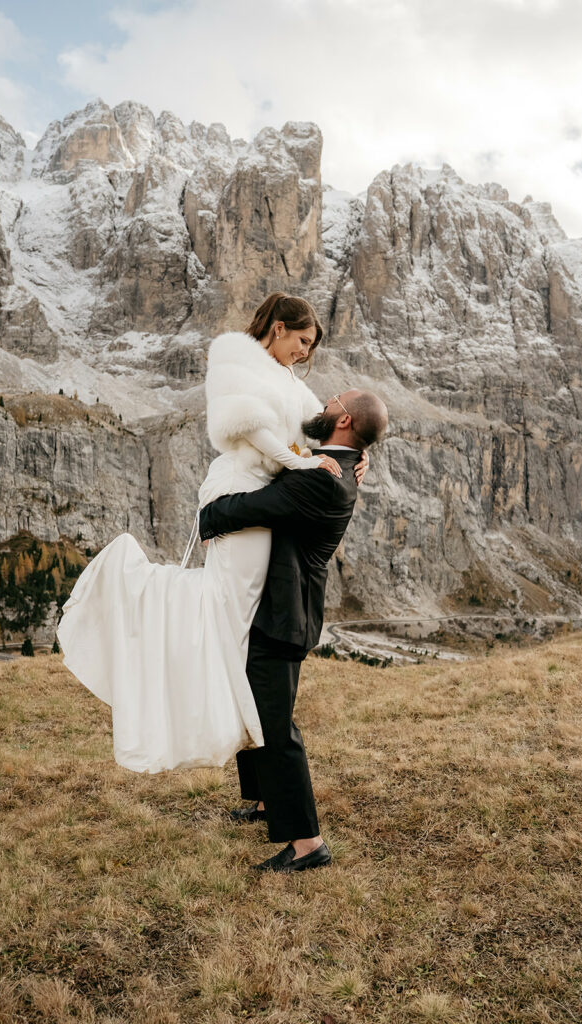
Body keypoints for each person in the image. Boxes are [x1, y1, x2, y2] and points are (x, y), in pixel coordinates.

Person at [56, 293, 368, 773]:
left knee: (238, 619)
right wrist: (302, 461)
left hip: (265, 487)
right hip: (242, 485)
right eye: (303, 341)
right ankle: (147, 614)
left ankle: (246, 739)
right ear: (280, 327)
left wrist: (355, 454)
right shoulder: (233, 357)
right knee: (228, 610)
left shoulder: (284, 375)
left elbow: (318, 426)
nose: (306, 353)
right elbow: (248, 426)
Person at [199, 388, 389, 873]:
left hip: (282, 616)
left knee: (276, 726)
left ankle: (308, 844)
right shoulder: (339, 463)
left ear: (343, 420)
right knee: (257, 706)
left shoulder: (322, 480)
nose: (322, 405)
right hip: (280, 608)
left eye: (332, 403)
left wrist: (208, 512)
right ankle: (266, 803)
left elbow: (246, 508)